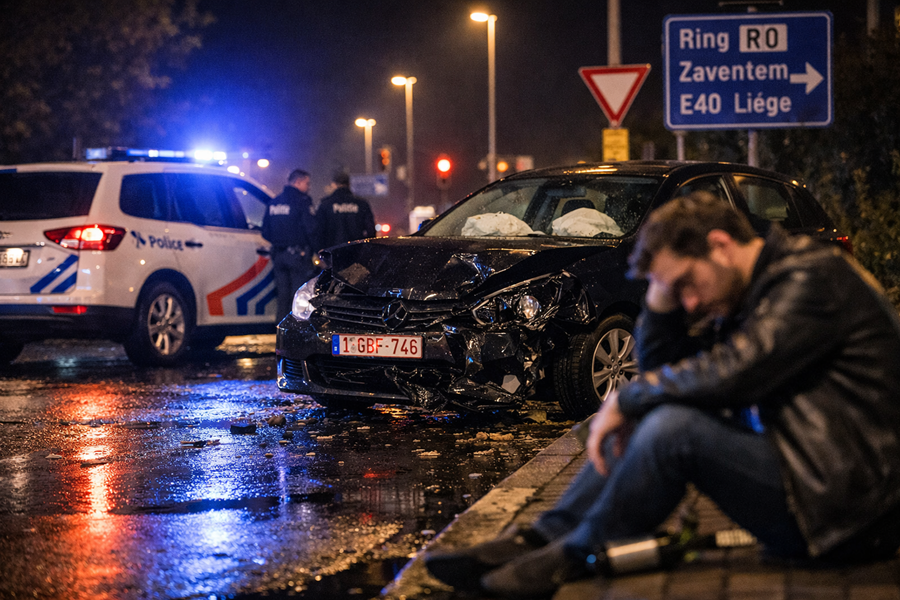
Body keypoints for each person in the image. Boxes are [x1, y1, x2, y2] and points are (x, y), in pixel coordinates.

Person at [425, 192, 900, 599]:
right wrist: (659, 299)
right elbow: (668, 374)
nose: (688, 301)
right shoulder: (748, 292)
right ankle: (540, 539)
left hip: (846, 510)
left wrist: (628, 399)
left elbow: (735, 372)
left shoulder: (811, 279)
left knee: (675, 428)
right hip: (806, 483)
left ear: (720, 245)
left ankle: (572, 556)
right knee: (661, 408)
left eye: (685, 284)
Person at [262, 169, 318, 320]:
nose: (309, 187)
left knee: (283, 297)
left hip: (278, 255)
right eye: (307, 183)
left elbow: (265, 231)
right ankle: (297, 334)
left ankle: (281, 333)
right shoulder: (302, 201)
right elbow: (311, 229)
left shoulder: (274, 202)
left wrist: (279, 241)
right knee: (299, 296)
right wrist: (317, 251)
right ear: (297, 182)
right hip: (297, 257)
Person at [316, 170, 376, 248]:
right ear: (349, 184)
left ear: (334, 184)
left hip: (333, 251)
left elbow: (318, 230)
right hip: (356, 251)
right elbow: (370, 230)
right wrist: (367, 248)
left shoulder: (325, 204)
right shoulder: (362, 204)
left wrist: (320, 249)